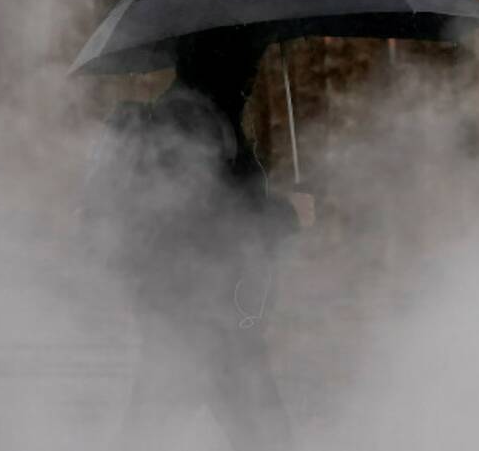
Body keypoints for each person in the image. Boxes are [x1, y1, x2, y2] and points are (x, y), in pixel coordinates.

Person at [85, 29, 312, 451]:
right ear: (219, 58)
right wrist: (284, 214)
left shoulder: (205, 112)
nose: (252, 69)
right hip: (205, 316)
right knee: (265, 435)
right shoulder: (190, 120)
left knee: (153, 429)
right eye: (246, 56)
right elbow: (203, 217)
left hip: (197, 314)